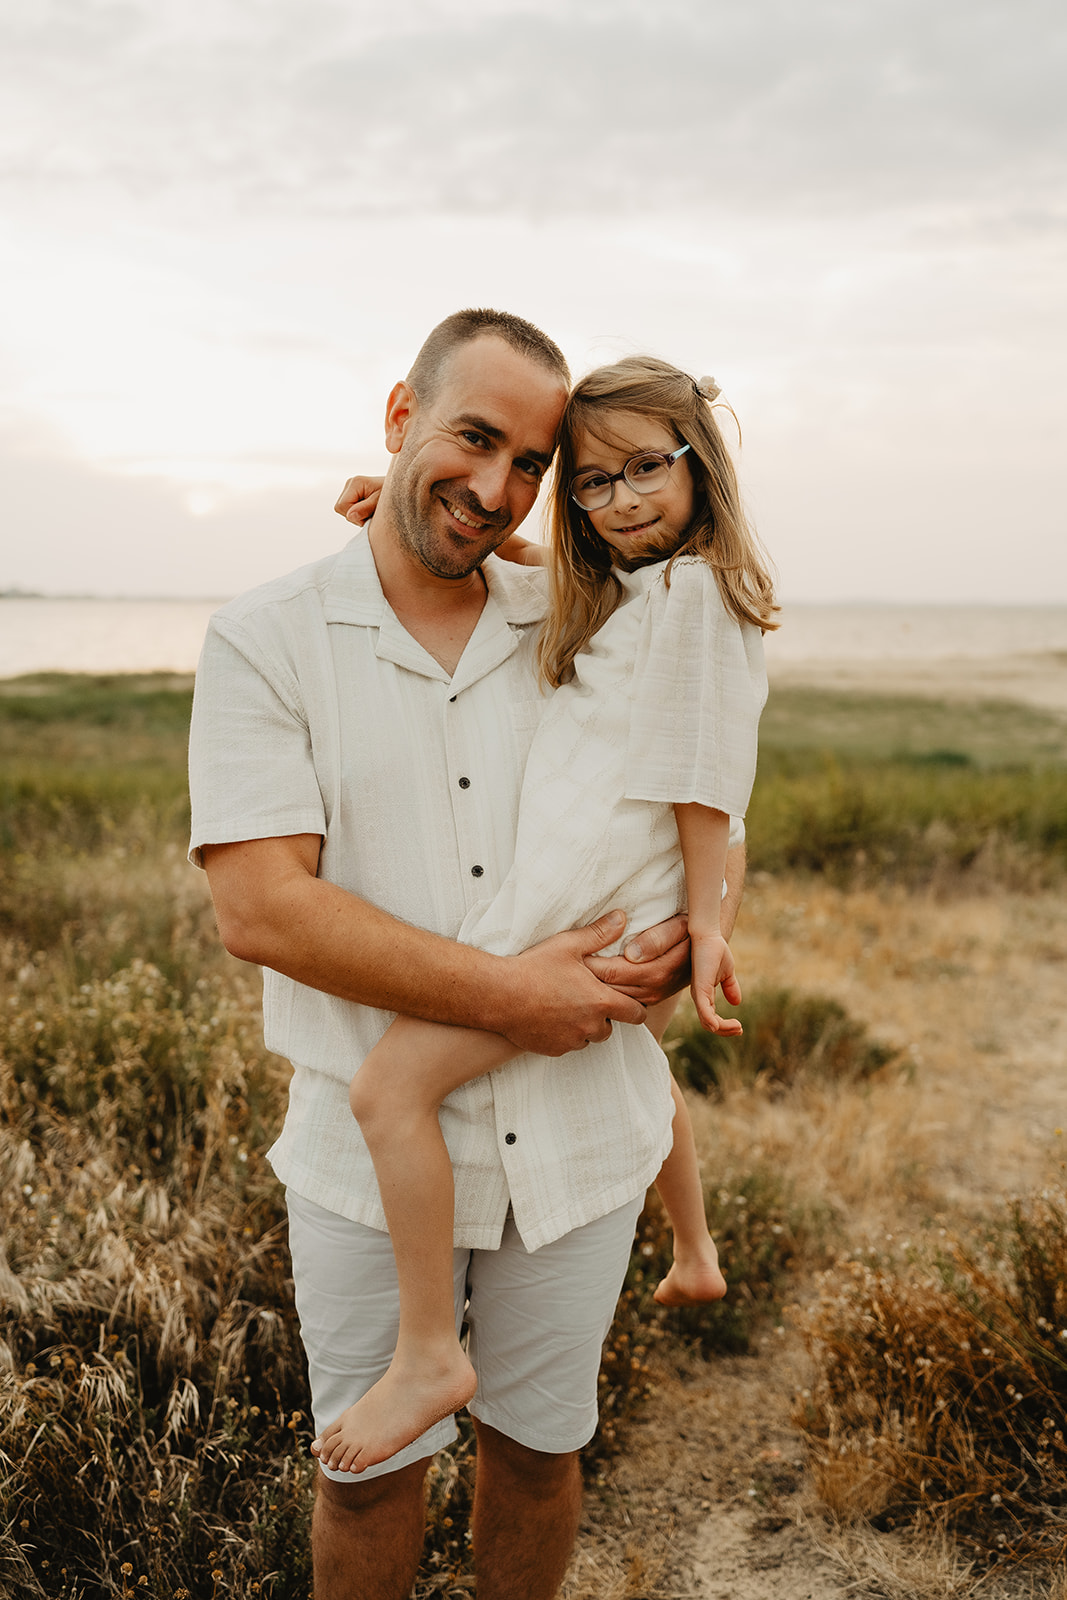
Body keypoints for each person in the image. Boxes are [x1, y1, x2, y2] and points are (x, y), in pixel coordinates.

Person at [187, 308, 748, 1600]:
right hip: (362, 1146)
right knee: (368, 1481)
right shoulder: (265, 638)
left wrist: (691, 929)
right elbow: (260, 911)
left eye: (531, 466)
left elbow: (692, 781)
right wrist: (520, 994)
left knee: (538, 1456)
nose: (499, 490)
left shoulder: (572, 613)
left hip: (578, 1136)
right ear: (397, 417)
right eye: (471, 441)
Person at [310, 355, 776, 1478]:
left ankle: (428, 1352)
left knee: (387, 1085)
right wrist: (426, 521)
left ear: (698, 467)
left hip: (579, 901)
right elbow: (586, 608)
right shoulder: (658, 591)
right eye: (589, 482)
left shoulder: (697, 596)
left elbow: (702, 780)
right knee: (636, 1070)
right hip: (602, 893)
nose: (616, 500)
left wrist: (710, 920)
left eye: (643, 473)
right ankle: (696, 1250)